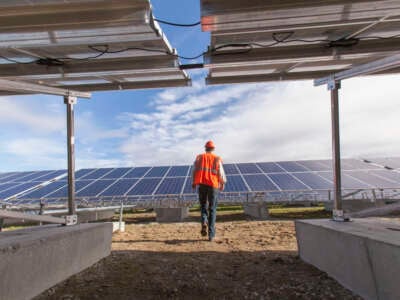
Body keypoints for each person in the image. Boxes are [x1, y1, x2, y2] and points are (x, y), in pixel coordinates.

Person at [192, 140, 226, 241]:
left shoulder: (199, 158)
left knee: (203, 206)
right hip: (213, 186)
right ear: (213, 149)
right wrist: (222, 183)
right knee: (212, 209)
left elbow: (193, 171)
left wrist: (194, 183)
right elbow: (221, 172)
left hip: (202, 185)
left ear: (205, 148)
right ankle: (211, 235)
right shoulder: (216, 158)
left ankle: (204, 221)